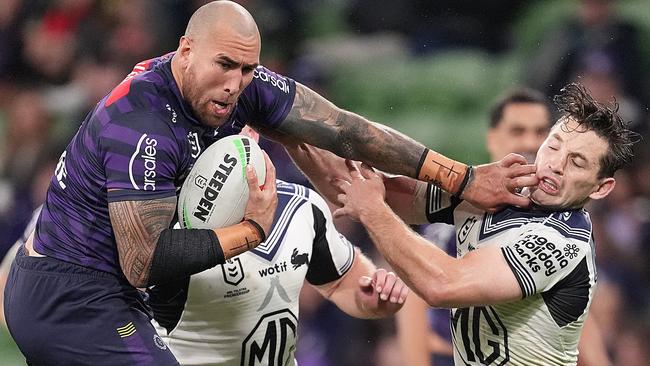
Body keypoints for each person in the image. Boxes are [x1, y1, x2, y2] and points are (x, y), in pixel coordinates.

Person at [3, 1, 534, 364]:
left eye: (249, 69)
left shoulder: (242, 95)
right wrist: (253, 231)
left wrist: (462, 176)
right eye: (225, 65)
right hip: (70, 293)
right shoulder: (139, 123)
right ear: (185, 51)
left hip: (127, 294)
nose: (236, 84)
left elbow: (347, 131)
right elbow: (146, 261)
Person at [330, 83, 637, 365]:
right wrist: (294, 132)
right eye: (553, 146)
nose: (555, 165)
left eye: (577, 162)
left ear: (600, 188)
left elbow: (440, 285)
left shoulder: (564, 242)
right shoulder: (489, 192)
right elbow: (357, 188)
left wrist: (373, 210)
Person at [148, 126, 408, 365]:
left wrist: (375, 300)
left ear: (252, 133)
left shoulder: (302, 207)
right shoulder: (162, 230)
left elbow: (341, 283)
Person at [396, 87, 553, 366]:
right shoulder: (461, 207)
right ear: (492, 138)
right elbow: (415, 292)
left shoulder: (560, 215)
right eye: (518, 131)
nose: (531, 142)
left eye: (541, 132)